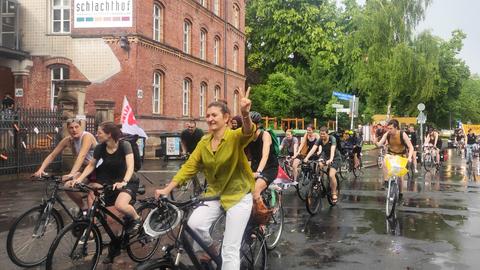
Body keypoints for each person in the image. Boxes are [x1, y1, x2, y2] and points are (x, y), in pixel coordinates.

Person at [154, 88, 255, 270]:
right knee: (195, 225)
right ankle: (213, 253)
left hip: (238, 196)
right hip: (214, 194)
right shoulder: (204, 142)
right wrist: (167, 190)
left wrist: (245, 114)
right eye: (207, 115)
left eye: (214, 115)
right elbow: (189, 168)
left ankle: (224, 259)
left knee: (230, 250)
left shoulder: (233, 137)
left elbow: (248, 132)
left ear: (226, 118)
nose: (210, 119)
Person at [73, 122, 141, 264]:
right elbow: (92, 165)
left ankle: (136, 218)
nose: (97, 134)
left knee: (121, 205)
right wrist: (79, 179)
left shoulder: (124, 146)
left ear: (109, 134)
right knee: (111, 220)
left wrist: (124, 181)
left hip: (127, 182)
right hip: (111, 184)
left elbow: (130, 166)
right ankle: (114, 247)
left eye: (99, 132)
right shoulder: (100, 148)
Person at [33, 118, 97, 214]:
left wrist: (72, 174)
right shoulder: (68, 140)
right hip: (85, 169)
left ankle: (93, 219)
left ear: (81, 127)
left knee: (91, 195)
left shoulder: (86, 137)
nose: (74, 130)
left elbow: (82, 156)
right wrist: (40, 170)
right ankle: (84, 209)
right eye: (71, 128)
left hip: (97, 169)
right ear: (67, 129)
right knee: (67, 186)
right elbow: (52, 155)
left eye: (76, 127)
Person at [376, 119, 414, 200]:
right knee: (385, 159)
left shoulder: (402, 134)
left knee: (400, 177)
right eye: (388, 128)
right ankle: (386, 181)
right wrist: (376, 142)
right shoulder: (387, 134)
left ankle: (400, 193)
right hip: (391, 154)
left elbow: (411, 147)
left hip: (401, 155)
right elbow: (379, 144)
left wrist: (409, 157)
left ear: (396, 128)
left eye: (391, 129)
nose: (389, 130)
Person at [304, 126, 342, 204]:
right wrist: (306, 158)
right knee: (319, 164)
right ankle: (318, 181)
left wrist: (331, 159)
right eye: (321, 134)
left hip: (335, 157)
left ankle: (334, 193)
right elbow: (313, 149)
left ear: (327, 133)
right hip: (325, 156)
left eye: (324, 134)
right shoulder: (320, 140)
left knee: (331, 175)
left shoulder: (332, 139)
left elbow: (333, 149)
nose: (322, 136)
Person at [246, 111, 279, 203]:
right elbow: (246, 157)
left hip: (269, 168)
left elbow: (265, 156)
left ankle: (262, 216)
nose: (248, 127)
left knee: (255, 192)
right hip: (255, 166)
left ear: (257, 125)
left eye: (251, 124)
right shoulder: (247, 137)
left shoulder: (265, 135)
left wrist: (258, 172)